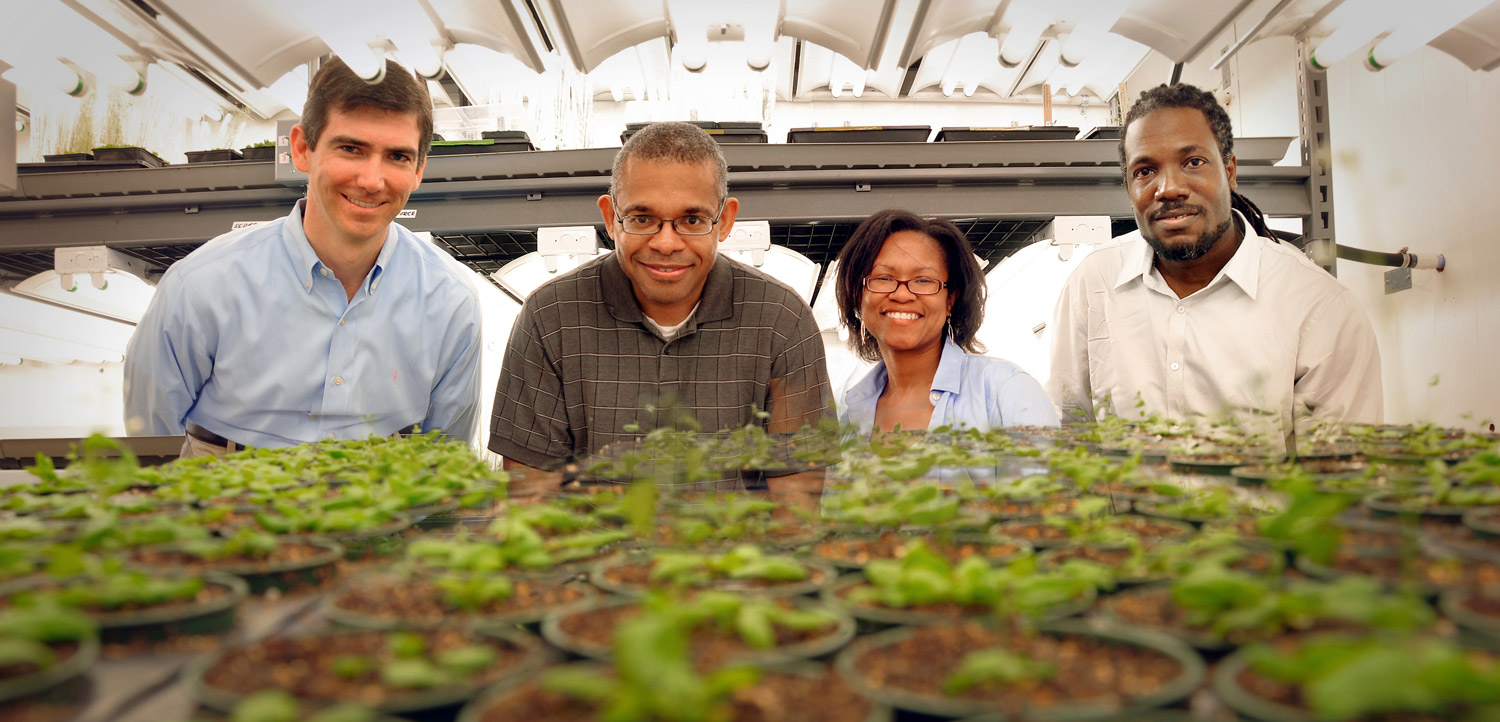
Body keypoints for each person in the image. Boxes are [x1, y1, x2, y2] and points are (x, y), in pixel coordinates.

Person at [124, 57, 482, 456]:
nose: (371, 180)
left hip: (381, 503)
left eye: (397, 156)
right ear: (301, 149)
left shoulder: (450, 301)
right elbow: (150, 446)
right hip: (224, 503)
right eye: (351, 148)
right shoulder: (202, 284)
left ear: (418, 170)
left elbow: (446, 459)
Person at [488, 121, 832, 496]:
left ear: (725, 221)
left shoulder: (782, 321)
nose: (666, 243)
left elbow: (796, 502)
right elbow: (531, 495)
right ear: (610, 217)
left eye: (692, 220)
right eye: (643, 218)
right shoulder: (550, 317)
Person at [1046, 82, 1382, 443]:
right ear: (1129, 190)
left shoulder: (1318, 306)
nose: (1168, 188)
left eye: (1193, 162)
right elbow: (1068, 437)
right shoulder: (1093, 283)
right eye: (1145, 171)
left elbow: (1341, 478)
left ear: (1230, 171)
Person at [834, 210, 1058, 433]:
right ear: (858, 295)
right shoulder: (852, 416)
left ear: (950, 299)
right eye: (883, 278)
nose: (902, 295)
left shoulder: (1005, 390)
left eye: (923, 280)